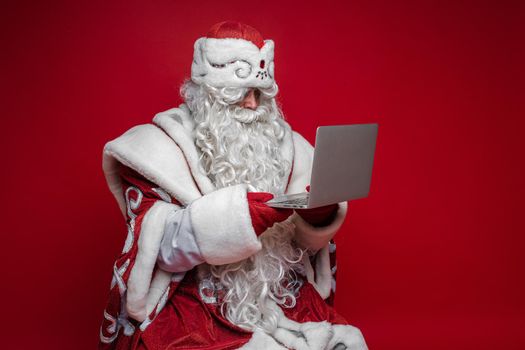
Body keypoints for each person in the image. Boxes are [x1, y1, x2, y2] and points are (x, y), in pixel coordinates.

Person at [99, 21, 368, 350]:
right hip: (195, 303)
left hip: (278, 294)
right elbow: (159, 250)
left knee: (349, 343)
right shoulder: (158, 149)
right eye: (240, 94)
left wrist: (319, 217)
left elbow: (304, 246)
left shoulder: (287, 146)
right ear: (207, 93)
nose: (254, 105)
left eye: (259, 94)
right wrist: (239, 219)